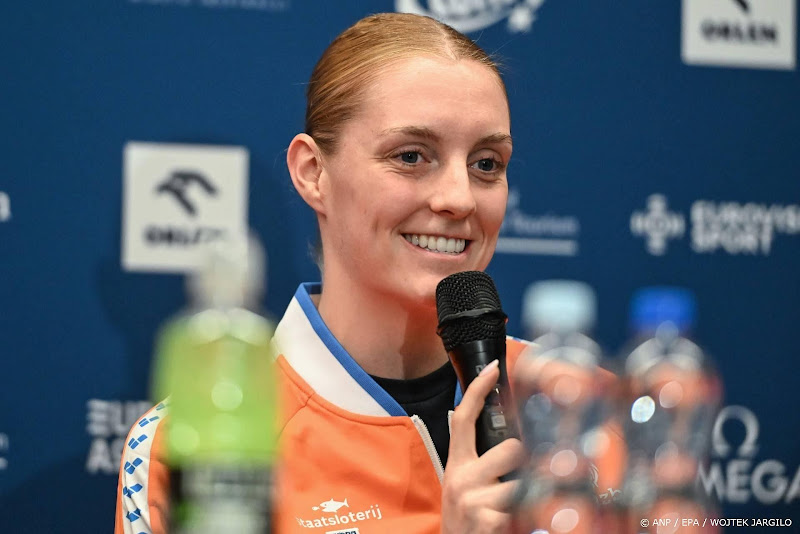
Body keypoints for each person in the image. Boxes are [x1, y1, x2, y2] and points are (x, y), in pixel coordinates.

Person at [115, 13, 624, 534]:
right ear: (313, 173)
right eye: (411, 156)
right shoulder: (194, 447)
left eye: (487, 163)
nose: (459, 198)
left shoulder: (591, 408)